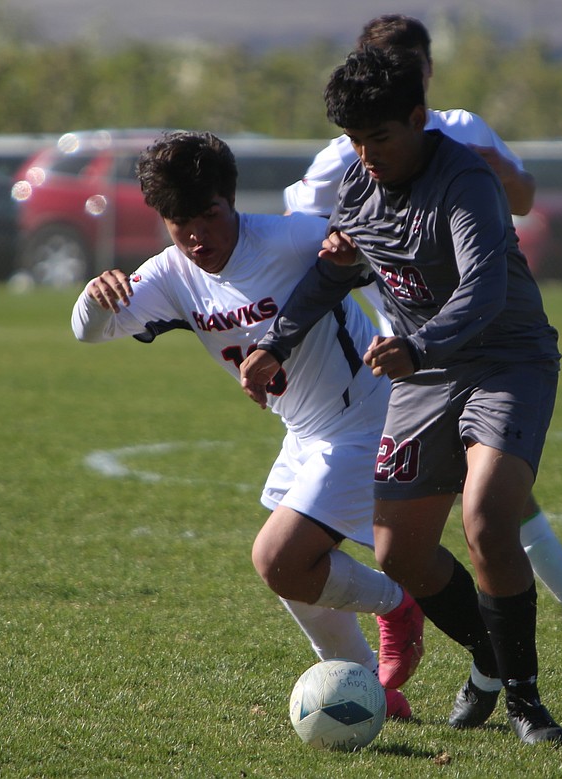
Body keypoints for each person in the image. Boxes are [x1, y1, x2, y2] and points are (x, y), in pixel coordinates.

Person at [242, 47, 562, 744]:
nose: (368, 154)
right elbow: (336, 273)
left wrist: (417, 345)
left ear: (419, 118)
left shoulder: (466, 181)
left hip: (506, 360)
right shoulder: (359, 187)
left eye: (381, 138)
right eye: (355, 141)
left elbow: (486, 287)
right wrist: (276, 342)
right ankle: (488, 653)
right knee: (399, 554)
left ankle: (526, 700)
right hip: (422, 374)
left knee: (486, 519)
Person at [70, 131, 425, 718]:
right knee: (295, 574)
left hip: (367, 416)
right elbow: (89, 331)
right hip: (305, 433)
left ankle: (397, 605)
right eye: (179, 223)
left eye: (208, 216)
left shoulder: (290, 238)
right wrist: (93, 296)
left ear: (230, 201)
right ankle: (369, 691)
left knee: (278, 559)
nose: (196, 237)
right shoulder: (169, 274)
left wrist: (358, 258)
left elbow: (384, 257)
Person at [284, 13, 562, 629]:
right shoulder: (347, 158)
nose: (366, 150)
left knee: (490, 501)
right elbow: (307, 234)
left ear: (427, 73)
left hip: (477, 338)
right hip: (405, 360)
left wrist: (492, 170)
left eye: (418, 63)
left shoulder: (461, 134)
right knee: (422, 529)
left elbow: (521, 199)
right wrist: (329, 253)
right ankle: (515, 627)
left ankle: (551, 626)